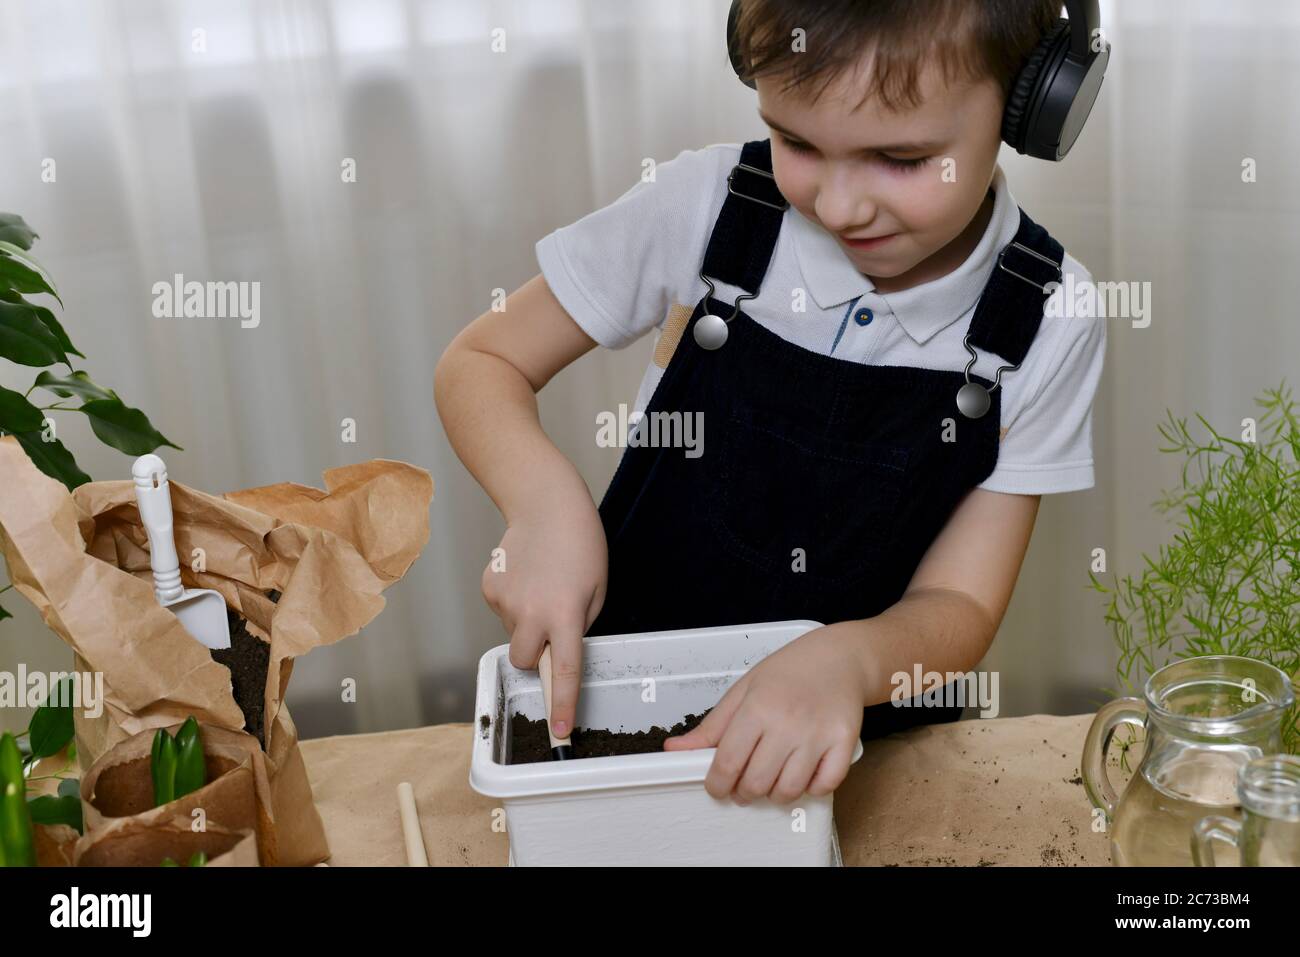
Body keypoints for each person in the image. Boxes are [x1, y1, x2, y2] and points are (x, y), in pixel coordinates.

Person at [435, 0, 1107, 805]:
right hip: (629, 729)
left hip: (865, 760)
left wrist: (846, 661)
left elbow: (959, 600)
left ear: (1031, 103)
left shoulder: (1049, 313)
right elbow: (480, 359)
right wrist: (543, 506)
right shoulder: (706, 206)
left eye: (899, 158)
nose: (838, 206)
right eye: (797, 142)